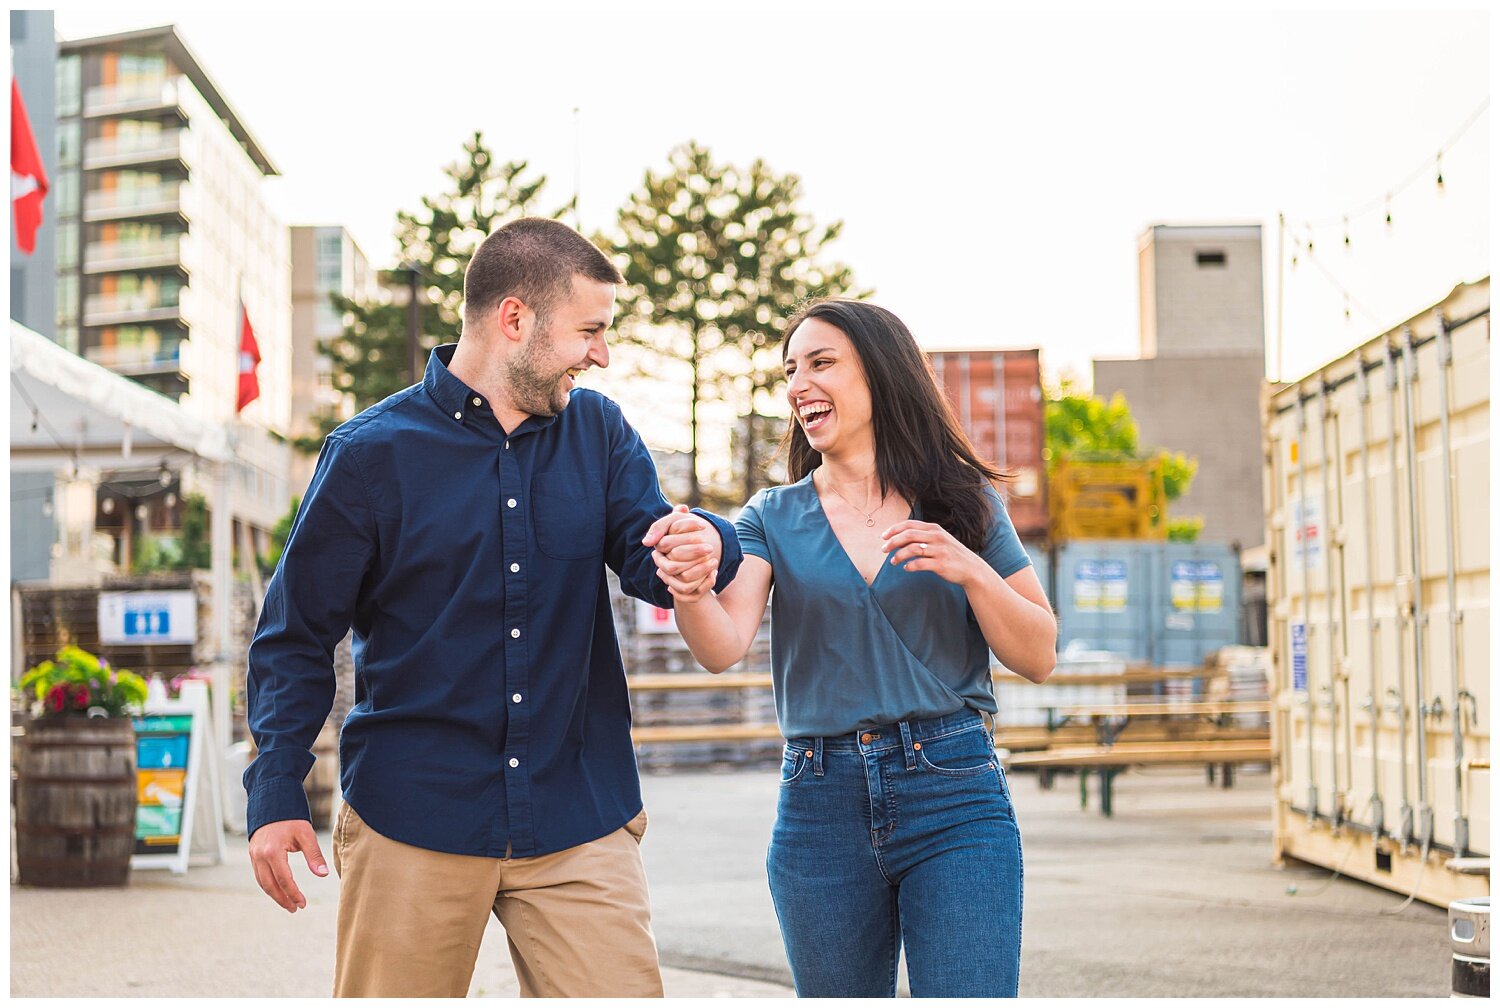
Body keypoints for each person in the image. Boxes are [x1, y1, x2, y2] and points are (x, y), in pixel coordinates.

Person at [243, 217, 742, 998]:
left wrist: (706, 542)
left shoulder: (601, 433)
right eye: (590, 330)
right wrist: (276, 790)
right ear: (515, 320)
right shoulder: (370, 455)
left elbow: (653, 555)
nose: (602, 355)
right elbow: (295, 637)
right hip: (414, 814)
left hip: (578, 813)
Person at [650, 298, 1056, 997]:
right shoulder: (770, 517)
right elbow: (723, 646)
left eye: (821, 362)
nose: (798, 383)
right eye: (790, 370)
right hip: (819, 804)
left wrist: (970, 569)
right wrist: (689, 590)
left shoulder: (962, 503)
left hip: (955, 793)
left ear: (880, 373)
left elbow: (1039, 654)